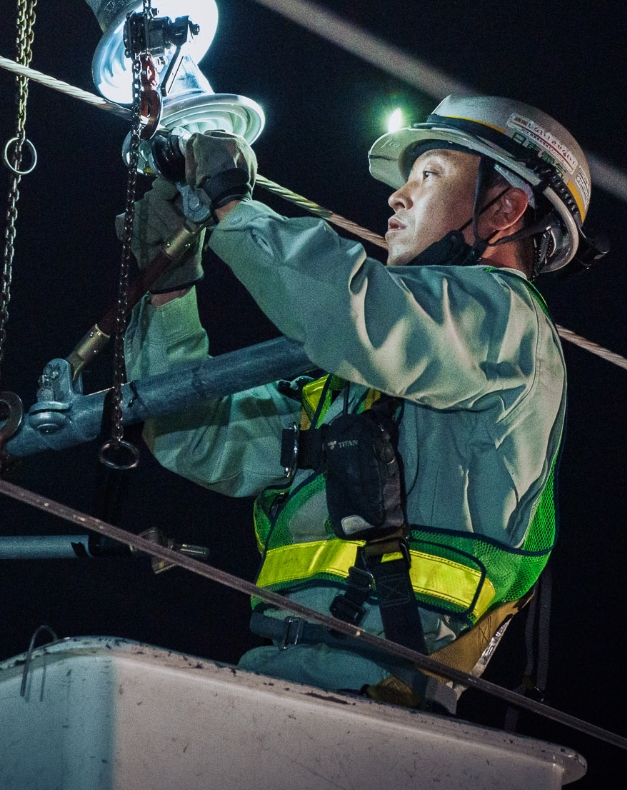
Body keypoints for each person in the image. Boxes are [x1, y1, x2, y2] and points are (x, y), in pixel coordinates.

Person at [124, 94, 598, 711]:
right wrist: (168, 295)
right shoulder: (359, 381)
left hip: (387, 707)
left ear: (505, 208)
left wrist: (232, 207)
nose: (398, 197)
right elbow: (197, 437)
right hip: (272, 682)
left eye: (427, 175)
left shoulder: (509, 325)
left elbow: (352, 309)